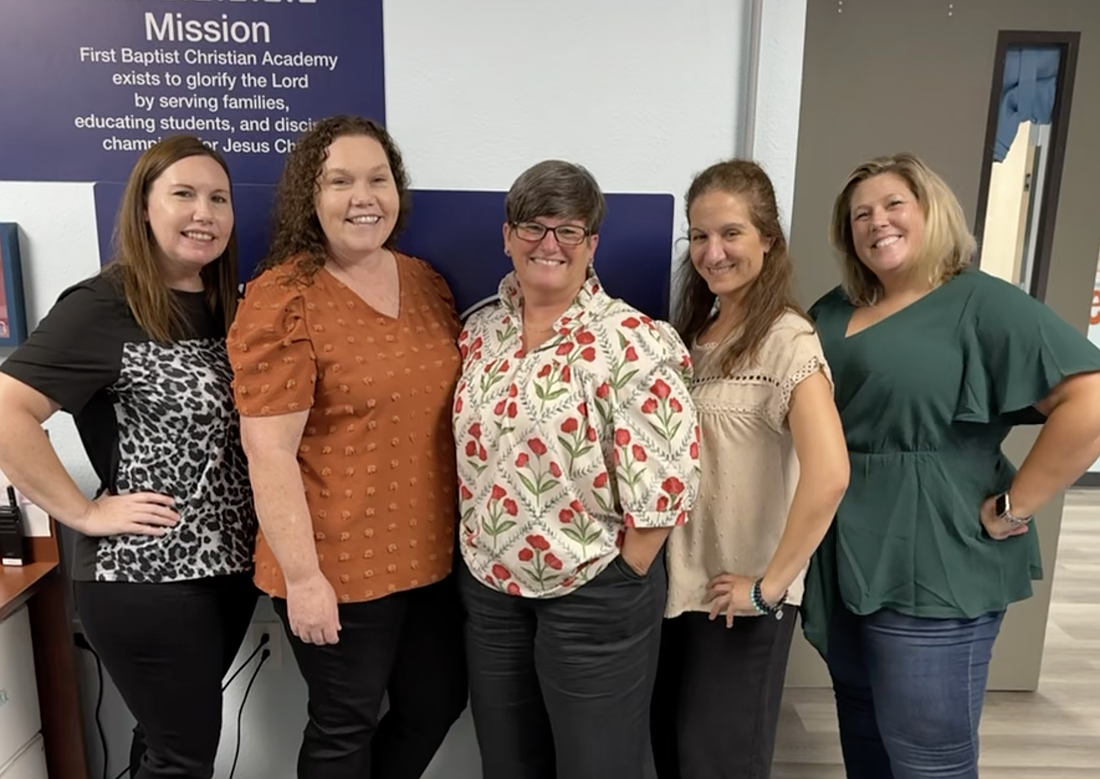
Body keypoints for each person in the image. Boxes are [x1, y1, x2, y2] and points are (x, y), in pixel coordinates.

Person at [802, 152, 1100, 779]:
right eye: (860, 214)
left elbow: (1089, 400)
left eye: (892, 205)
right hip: (841, 550)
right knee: (862, 726)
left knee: (926, 752)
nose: (876, 222)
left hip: (933, 551)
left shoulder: (980, 302)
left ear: (930, 212)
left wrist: (1016, 505)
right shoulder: (832, 310)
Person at [0, 135, 257, 779]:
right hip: (146, 574)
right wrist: (83, 512)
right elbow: (6, 411)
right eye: (184, 194)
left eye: (218, 198)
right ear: (144, 208)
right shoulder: (103, 304)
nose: (205, 211)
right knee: (183, 758)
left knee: (170, 744)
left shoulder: (229, 306)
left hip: (226, 568)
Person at [227, 115, 467, 779]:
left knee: (437, 700)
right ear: (312, 196)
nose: (363, 196)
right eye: (340, 181)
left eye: (377, 178)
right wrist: (304, 580)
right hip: (334, 561)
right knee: (344, 724)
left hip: (431, 558)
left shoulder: (425, 282)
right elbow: (268, 451)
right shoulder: (285, 295)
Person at [453, 159, 702, 779]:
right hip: (491, 586)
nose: (549, 245)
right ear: (507, 235)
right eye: (533, 227)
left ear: (591, 244)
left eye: (568, 231)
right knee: (508, 763)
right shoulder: (480, 334)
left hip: (594, 590)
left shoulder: (635, 341)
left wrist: (627, 569)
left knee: (601, 766)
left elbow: (669, 479)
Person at [651, 159, 849, 779]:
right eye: (700, 236)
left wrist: (767, 589)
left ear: (768, 238)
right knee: (674, 754)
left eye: (731, 233)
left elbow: (830, 474)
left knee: (719, 762)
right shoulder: (695, 333)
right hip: (679, 592)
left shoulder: (788, 339)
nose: (713, 252)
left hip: (739, 598)